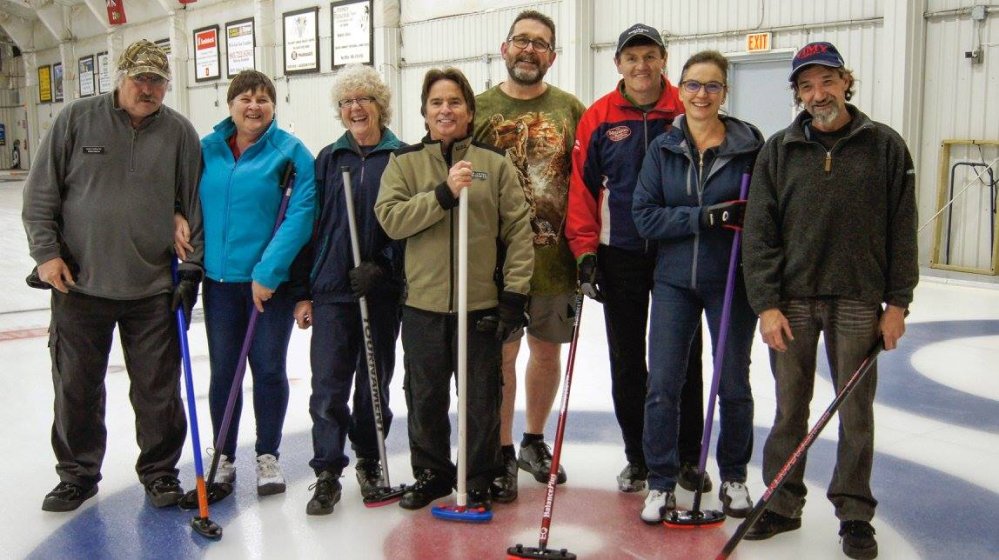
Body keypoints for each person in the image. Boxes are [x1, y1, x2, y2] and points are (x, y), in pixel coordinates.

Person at [741, 42, 918, 560]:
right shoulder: (778, 150)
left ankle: (855, 514)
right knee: (789, 409)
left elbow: (902, 229)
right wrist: (766, 304)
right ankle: (781, 502)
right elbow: (759, 233)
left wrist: (897, 303)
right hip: (792, 299)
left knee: (855, 412)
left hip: (859, 298)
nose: (818, 94)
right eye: (806, 85)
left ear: (846, 82)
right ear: (797, 93)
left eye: (827, 81)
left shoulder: (885, 146)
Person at [22, 39, 202, 512]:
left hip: (153, 289)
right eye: (140, 78)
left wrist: (191, 270)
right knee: (76, 388)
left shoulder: (180, 132)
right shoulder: (75, 120)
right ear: (119, 78)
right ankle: (77, 475)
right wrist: (46, 254)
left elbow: (193, 204)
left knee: (158, 392)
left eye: (157, 81)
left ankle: (160, 473)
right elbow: (40, 194)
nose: (148, 89)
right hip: (79, 285)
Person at [375, 67, 533, 511]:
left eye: (455, 102)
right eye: (437, 102)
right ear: (425, 112)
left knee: (481, 397)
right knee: (424, 395)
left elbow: (518, 233)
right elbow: (391, 220)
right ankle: (432, 473)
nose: (446, 110)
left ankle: (476, 476)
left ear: (469, 111)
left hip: (479, 304)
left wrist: (514, 296)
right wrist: (443, 194)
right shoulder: (403, 163)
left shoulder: (494, 165)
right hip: (423, 305)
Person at [566, 23, 711, 494]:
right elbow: (582, 189)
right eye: (632, 57)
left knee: (683, 358)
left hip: (677, 251)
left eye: (650, 56)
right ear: (618, 64)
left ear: (664, 60)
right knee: (628, 360)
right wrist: (585, 251)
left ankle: (687, 455)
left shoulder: (684, 108)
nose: (641, 65)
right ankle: (640, 457)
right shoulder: (599, 117)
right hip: (621, 252)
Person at [632, 50, 763, 523]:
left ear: (725, 92)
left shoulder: (750, 147)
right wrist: (706, 217)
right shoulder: (663, 148)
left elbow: (766, 215)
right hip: (673, 283)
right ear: (680, 88)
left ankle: (734, 475)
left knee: (733, 383)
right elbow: (645, 216)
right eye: (693, 85)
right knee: (663, 384)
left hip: (730, 281)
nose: (701, 94)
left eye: (712, 86)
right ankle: (660, 481)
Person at [472, 9, 585, 502]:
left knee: (545, 352)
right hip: (495, 264)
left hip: (554, 261)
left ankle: (533, 441)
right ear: (504, 48)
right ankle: (501, 450)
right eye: (521, 40)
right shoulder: (478, 109)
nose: (529, 50)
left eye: (540, 44)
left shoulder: (570, 109)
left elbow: (588, 180)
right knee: (502, 356)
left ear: (552, 57)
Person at [196, 70, 316, 497]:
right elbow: (184, 198)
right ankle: (223, 455)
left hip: (268, 285)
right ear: (229, 104)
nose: (254, 106)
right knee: (224, 371)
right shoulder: (207, 149)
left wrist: (267, 273)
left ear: (274, 106)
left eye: (263, 99)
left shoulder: (292, 153)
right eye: (245, 98)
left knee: (267, 368)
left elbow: (301, 216)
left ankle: (268, 455)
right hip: (220, 283)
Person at [291, 64, 404, 515]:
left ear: (380, 105)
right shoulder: (328, 159)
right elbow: (308, 227)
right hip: (332, 290)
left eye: (364, 99)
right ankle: (327, 470)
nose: (355, 108)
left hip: (381, 291)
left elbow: (411, 228)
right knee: (328, 385)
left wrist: (384, 265)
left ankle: (370, 460)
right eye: (347, 102)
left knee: (374, 382)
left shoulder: (401, 157)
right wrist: (303, 290)